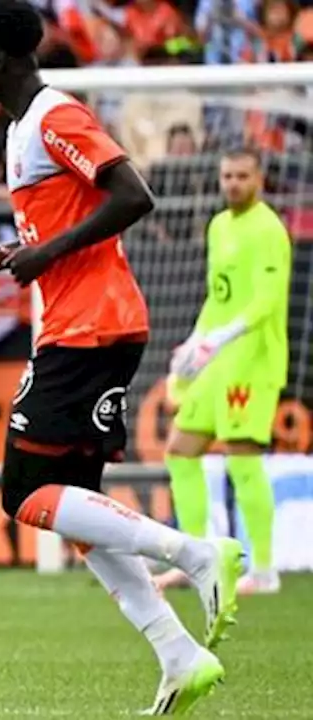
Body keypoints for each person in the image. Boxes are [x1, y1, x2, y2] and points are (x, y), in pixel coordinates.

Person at [0, 0, 243, 714]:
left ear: (3, 59)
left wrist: (45, 253)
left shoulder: (53, 115)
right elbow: (54, 226)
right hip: (78, 326)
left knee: (24, 494)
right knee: (75, 513)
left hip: (91, 329)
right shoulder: (18, 130)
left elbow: (134, 195)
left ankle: (194, 554)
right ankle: (178, 654)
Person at [154, 149, 291, 596]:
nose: (232, 183)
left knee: (242, 457)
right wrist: (196, 340)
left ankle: (266, 570)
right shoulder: (218, 225)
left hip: (253, 360)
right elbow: (219, 295)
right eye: (227, 176)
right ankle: (194, 561)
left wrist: (223, 337)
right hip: (217, 357)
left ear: (259, 179)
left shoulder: (269, 229)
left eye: (241, 176)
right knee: (180, 449)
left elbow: (267, 298)